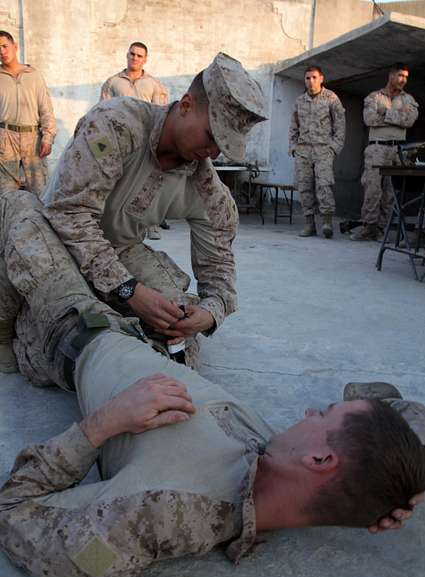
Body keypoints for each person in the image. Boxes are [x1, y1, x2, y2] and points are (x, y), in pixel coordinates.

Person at [0, 193, 425, 577]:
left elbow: (14, 512)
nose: (311, 412)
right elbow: (377, 405)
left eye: (324, 416)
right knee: (140, 261)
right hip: (160, 340)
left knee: (24, 209)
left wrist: (103, 424)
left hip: (73, 332)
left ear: (320, 459)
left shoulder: (156, 513)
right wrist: (405, 480)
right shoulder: (279, 456)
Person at [0, 52, 268, 374]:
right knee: (21, 214)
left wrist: (210, 312)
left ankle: (115, 352)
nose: (213, 152)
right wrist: (129, 291)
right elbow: (70, 215)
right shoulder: (116, 124)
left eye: (223, 145)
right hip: (56, 238)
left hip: (119, 251)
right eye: (211, 136)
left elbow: (219, 266)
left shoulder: (206, 187)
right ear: (185, 105)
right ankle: (10, 333)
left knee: (175, 318)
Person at [100, 41, 169, 240]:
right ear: (127, 55)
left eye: (139, 55)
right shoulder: (113, 83)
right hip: (120, 142)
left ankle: (150, 225)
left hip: (146, 142)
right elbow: (103, 112)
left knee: (148, 184)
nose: (135, 58)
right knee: (119, 182)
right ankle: (114, 223)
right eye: (132, 54)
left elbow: (161, 114)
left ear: (145, 59)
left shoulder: (154, 85)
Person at [351, 63, 419, 241]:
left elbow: (409, 121)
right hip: (377, 148)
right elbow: (369, 119)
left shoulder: (408, 100)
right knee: (372, 189)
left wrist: (386, 112)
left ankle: (382, 229)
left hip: (397, 150)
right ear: (391, 76)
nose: (403, 80)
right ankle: (368, 228)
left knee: (390, 193)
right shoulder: (374, 97)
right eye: (400, 75)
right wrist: (397, 115)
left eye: (406, 77)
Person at [289, 66, 345, 239]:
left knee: (324, 185)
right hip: (303, 150)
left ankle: (327, 223)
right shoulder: (299, 101)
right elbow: (293, 126)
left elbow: (340, 125)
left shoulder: (331, 98)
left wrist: (334, 147)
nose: (310, 81)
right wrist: (293, 146)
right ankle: (309, 225)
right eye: (307, 78)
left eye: (314, 77)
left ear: (321, 78)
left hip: (323, 150)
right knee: (304, 187)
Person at [0, 30, 56, 196]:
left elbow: (46, 109)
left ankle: (39, 222)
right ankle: (7, 222)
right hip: (5, 140)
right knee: (6, 193)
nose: (2, 51)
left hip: (33, 140)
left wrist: (48, 137)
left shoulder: (34, 75)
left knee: (40, 191)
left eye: (5, 46)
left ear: (15, 47)